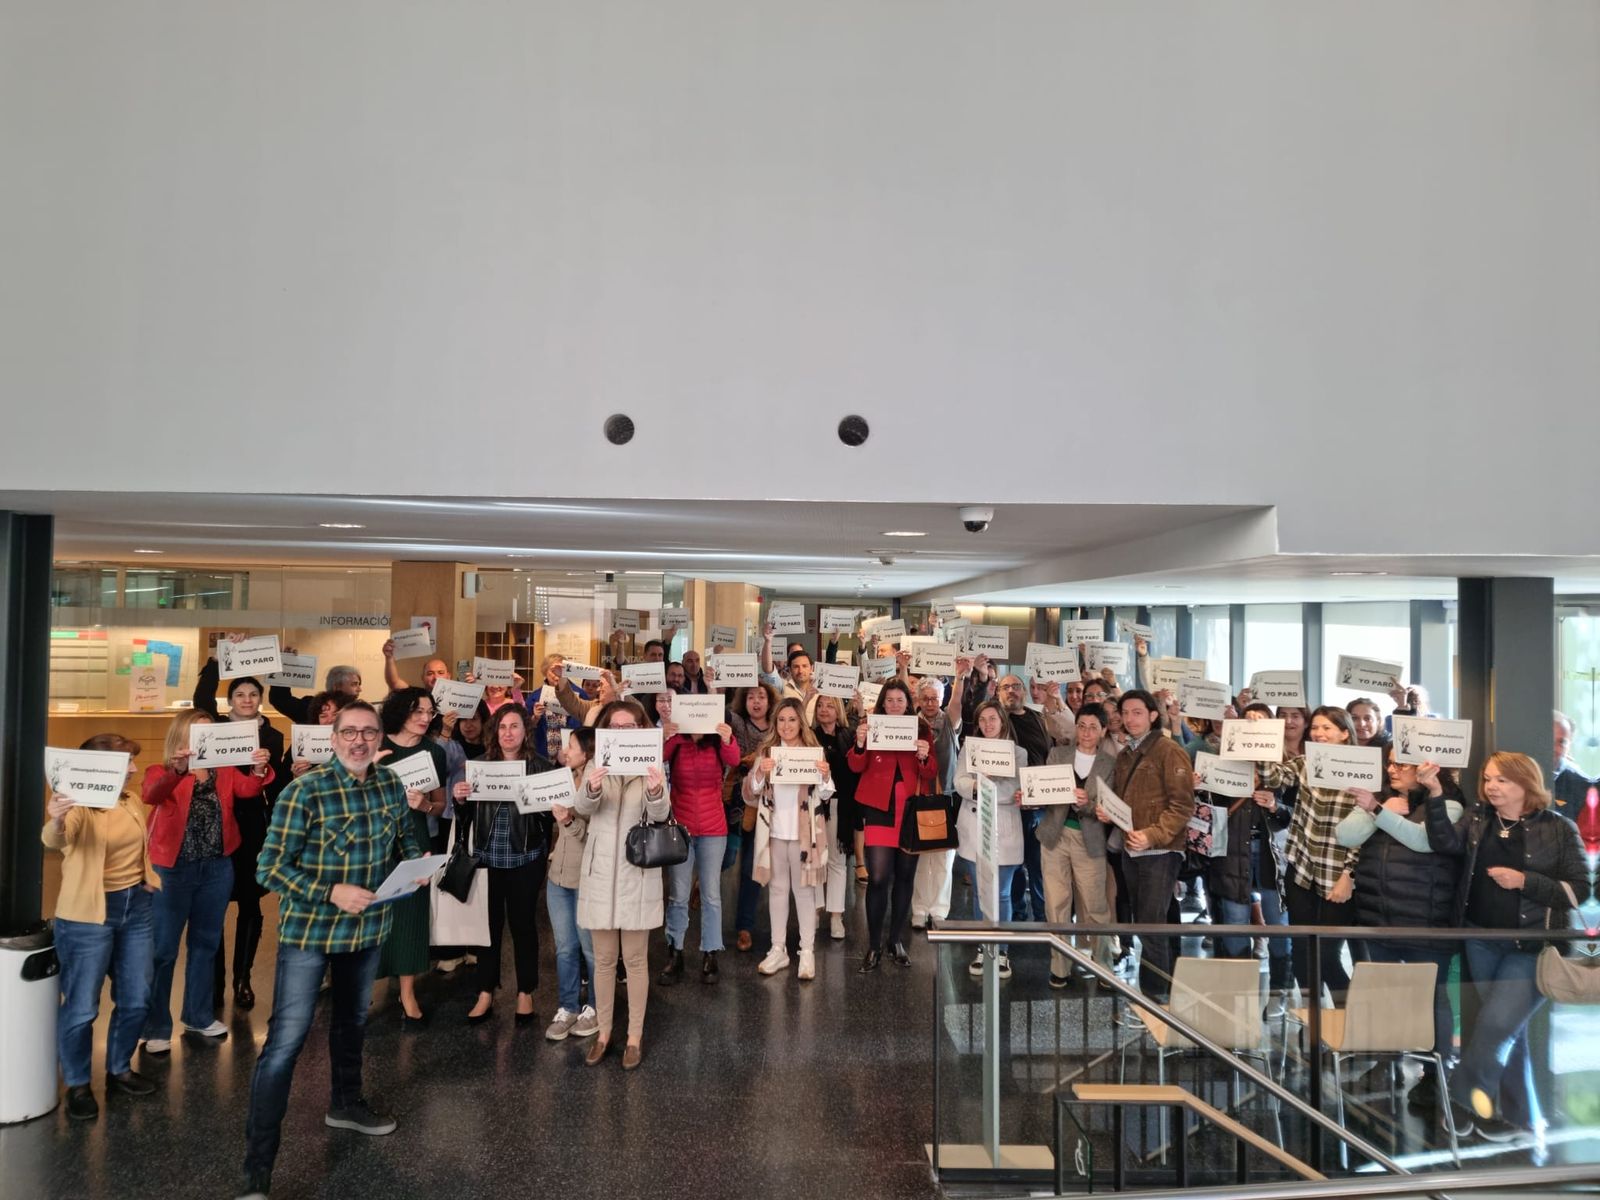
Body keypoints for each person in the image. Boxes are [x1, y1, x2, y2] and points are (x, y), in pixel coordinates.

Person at [239, 701, 430, 1200]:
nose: (359, 741)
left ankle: (346, 1104)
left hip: (366, 931)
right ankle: (257, 1169)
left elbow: (404, 842)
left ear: (380, 738)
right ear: (334, 738)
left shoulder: (390, 785)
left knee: (352, 1024)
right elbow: (268, 868)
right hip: (310, 932)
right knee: (285, 1044)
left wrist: (418, 865)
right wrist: (330, 892)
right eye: (349, 732)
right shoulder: (304, 791)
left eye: (368, 732)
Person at [1427, 751, 1586, 1141]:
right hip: (1480, 940)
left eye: (1502, 780)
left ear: (1525, 784)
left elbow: (1580, 890)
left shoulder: (1559, 828)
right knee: (1506, 1032)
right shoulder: (1478, 819)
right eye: (1487, 779)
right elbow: (1444, 842)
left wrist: (1525, 881)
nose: (1491, 787)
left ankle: (1459, 1101)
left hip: (1531, 947)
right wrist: (1433, 792)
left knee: (1497, 1025)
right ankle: (1524, 1119)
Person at [141, 711, 273, 1053]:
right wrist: (177, 770)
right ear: (181, 736)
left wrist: (259, 770)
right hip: (172, 870)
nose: (206, 738)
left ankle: (198, 1015)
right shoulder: (162, 770)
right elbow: (151, 794)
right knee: (163, 949)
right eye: (198, 732)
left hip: (216, 868)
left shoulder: (223, 769)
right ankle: (155, 1025)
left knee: (205, 945)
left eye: (210, 732)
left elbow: (248, 789)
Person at [1337, 756, 1465, 1110]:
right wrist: (1375, 809)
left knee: (1432, 1000)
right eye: (1390, 763)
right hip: (1380, 917)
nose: (1391, 770)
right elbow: (1345, 835)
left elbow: (1423, 841)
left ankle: (1436, 1075)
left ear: (1428, 769)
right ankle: (1386, 1064)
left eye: (1401, 765)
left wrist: (1378, 811)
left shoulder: (1449, 804)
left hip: (1426, 920)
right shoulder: (1381, 800)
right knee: (1385, 997)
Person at [44, 735, 158, 1120]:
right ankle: (78, 1083)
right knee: (82, 1007)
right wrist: (57, 817)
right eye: (127, 763)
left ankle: (119, 1069)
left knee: (137, 997)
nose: (134, 769)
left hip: (136, 907)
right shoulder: (78, 805)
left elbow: (141, 847)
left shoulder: (129, 800)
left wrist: (147, 878)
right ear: (102, 767)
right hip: (86, 916)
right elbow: (55, 837)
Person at [574, 700, 671, 1070]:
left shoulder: (651, 764)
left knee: (634, 960)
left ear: (640, 730)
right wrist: (592, 786)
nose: (620, 732)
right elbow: (583, 808)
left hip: (636, 873)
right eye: (614, 727)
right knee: (602, 960)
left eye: (628, 727)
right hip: (600, 872)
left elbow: (661, 814)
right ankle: (603, 1033)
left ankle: (634, 1036)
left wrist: (655, 790)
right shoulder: (596, 763)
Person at [192, 661, 288, 1013]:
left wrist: (272, 772)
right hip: (213, 821)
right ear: (230, 700)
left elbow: (274, 786)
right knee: (214, 902)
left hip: (251, 824)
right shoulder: (214, 727)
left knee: (250, 901)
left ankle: (242, 979)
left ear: (260, 699)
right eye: (239, 694)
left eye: (253, 694)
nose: (247, 699)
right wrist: (218, 662)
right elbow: (201, 698)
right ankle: (214, 981)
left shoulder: (272, 736)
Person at [450, 705, 552, 1025]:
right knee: (488, 928)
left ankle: (525, 992)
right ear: (495, 731)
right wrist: (460, 799)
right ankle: (485, 991)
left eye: (514, 726)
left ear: (525, 731)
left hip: (526, 857)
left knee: (523, 926)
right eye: (503, 727)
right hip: (487, 857)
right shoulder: (480, 765)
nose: (508, 733)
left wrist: (542, 804)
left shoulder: (540, 767)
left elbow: (549, 817)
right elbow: (466, 816)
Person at [1262, 705, 1365, 1005]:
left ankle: (1349, 1018)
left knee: (1328, 957)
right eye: (1316, 728)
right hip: (1302, 869)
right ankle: (1313, 1020)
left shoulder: (1362, 769)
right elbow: (1274, 777)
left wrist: (1349, 874)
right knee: (1303, 953)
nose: (1318, 733)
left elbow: (1365, 827)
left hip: (1338, 874)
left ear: (1345, 733)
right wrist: (1262, 740)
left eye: (1327, 728)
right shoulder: (1306, 762)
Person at [1101, 689, 1194, 1002]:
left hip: (1160, 851)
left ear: (1153, 715)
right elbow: (1127, 799)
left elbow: (1182, 806)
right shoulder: (1127, 753)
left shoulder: (1168, 750)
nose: (1129, 718)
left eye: (1137, 712)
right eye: (1125, 713)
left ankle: (1153, 1000)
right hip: (1132, 848)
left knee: (1150, 926)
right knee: (1154, 922)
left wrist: (1152, 835)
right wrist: (1109, 812)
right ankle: (1168, 991)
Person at [1205, 703, 1295, 1014]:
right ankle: (1236, 996)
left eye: (1262, 722)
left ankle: (1279, 992)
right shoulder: (1223, 764)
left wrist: (1276, 807)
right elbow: (1210, 810)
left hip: (1273, 857)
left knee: (1278, 926)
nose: (1255, 727)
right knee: (1234, 923)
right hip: (1232, 854)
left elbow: (1299, 817)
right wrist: (1199, 785)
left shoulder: (1288, 766)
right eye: (1249, 721)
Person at [847, 679, 938, 971]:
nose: (895, 705)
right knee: (877, 878)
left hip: (910, 811)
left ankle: (895, 940)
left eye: (900, 700)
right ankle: (874, 945)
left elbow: (932, 771)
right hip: (879, 808)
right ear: (882, 703)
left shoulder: (921, 729)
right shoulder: (870, 726)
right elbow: (855, 766)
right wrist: (860, 744)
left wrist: (924, 756)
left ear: (908, 703)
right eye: (890, 700)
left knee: (905, 877)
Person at [744, 698, 833, 980]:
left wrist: (825, 776)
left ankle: (806, 950)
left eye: (792, 719)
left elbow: (826, 793)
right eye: (781, 720)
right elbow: (751, 792)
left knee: (804, 892)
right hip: (774, 833)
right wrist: (760, 771)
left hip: (804, 835)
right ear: (775, 723)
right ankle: (778, 948)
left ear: (801, 722)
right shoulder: (767, 753)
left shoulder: (812, 753)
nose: (786, 725)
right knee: (778, 890)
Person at [374, 688, 448, 1026]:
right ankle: (362, 985)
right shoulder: (377, 744)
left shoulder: (434, 752)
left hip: (414, 839)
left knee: (410, 915)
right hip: (374, 840)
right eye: (418, 711)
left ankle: (407, 992)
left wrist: (425, 805)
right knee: (371, 912)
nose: (424, 718)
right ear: (400, 711)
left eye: (429, 712)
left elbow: (440, 805)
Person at [1039, 706, 1118, 986]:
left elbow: (1111, 806)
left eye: (1093, 727)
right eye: (1082, 725)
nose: (1086, 732)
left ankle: (1104, 966)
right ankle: (1060, 966)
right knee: (1056, 904)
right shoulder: (1058, 754)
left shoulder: (1110, 763)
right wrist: (1031, 795)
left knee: (1095, 906)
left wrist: (1089, 804)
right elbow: (1045, 792)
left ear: (1103, 731)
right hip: (1054, 837)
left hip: (1091, 840)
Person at [659, 708, 738, 984]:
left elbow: (734, 759)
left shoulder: (716, 742)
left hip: (713, 828)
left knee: (711, 895)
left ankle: (711, 952)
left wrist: (727, 739)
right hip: (681, 828)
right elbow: (656, 758)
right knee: (678, 895)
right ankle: (675, 951)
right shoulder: (677, 741)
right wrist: (665, 736)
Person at [953, 701, 1028, 978]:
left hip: (1005, 828)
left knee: (1003, 894)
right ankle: (984, 947)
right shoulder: (970, 749)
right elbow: (959, 781)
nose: (988, 724)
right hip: (974, 826)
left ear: (1002, 721)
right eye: (982, 719)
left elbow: (1016, 788)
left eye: (992, 718)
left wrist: (989, 786)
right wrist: (978, 785)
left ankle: (1002, 951)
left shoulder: (1018, 753)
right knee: (980, 892)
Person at [544, 728, 600, 1042]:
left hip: (585, 878)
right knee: (565, 948)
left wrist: (568, 820)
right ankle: (567, 1007)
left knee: (590, 949)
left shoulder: (597, 784)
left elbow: (596, 836)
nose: (566, 750)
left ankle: (595, 1007)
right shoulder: (564, 778)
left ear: (587, 752)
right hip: (558, 876)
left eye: (572, 745)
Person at [728, 682, 778, 951]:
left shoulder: (779, 725)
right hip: (744, 803)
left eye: (761, 697)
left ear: (770, 702)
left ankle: (754, 928)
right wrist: (713, 688)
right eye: (751, 697)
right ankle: (744, 925)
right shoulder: (739, 723)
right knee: (741, 860)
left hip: (777, 805)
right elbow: (721, 715)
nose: (756, 702)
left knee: (763, 867)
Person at [911, 676, 958, 930]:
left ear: (942, 699)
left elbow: (958, 701)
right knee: (919, 858)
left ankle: (939, 909)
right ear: (918, 700)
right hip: (918, 796)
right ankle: (919, 908)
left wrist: (960, 677)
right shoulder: (911, 723)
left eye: (935, 698)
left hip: (946, 795)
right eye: (925, 698)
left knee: (943, 858)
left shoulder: (950, 721)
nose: (930, 703)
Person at [813, 693, 858, 941]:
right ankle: (815, 910)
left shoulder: (849, 735)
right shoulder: (809, 736)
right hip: (814, 804)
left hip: (841, 804)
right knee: (815, 859)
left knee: (837, 862)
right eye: (820, 705)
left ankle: (836, 915)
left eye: (830, 705)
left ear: (839, 709)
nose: (824, 709)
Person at [268, 660, 362, 725]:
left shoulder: (361, 712)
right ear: (337, 686)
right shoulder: (310, 706)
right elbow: (280, 699)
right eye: (354, 684)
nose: (359, 689)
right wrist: (286, 664)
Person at [1550, 710, 1592, 809]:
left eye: (1561, 742)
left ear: (1569, 746)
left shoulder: (1581, 785)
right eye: (1548, 739)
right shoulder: (1517, 775)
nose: (1553, 748)